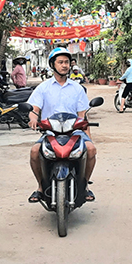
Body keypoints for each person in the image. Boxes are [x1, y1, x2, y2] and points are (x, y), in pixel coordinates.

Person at [26, 47, 97, 203]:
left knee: (91, 150)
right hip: (50, 132)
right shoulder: (43, 88)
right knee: (34, 152)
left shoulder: (77, 88)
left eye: (66, 62)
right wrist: (33, 118)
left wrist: (88, 138)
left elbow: (82, 115)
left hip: (74, 132)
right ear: (53, 65)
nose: (64, 65)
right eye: (60, 62)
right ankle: (40, 187)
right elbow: (34, 109)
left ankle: (84, 185)